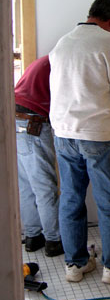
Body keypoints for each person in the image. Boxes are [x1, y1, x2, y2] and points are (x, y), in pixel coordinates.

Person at [49, 0, 110, 284]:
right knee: (109, 201)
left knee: (71, 199)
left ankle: (76, 264)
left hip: (63, 133)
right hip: (97, 135)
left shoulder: (63, 43)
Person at [15, 55, 64, 257]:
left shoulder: (45, 61)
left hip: (17, 121)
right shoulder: (60, 64)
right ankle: (53, 240)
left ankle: (33, 237)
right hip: (33, 124)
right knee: (45, 187)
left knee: (26, 185)